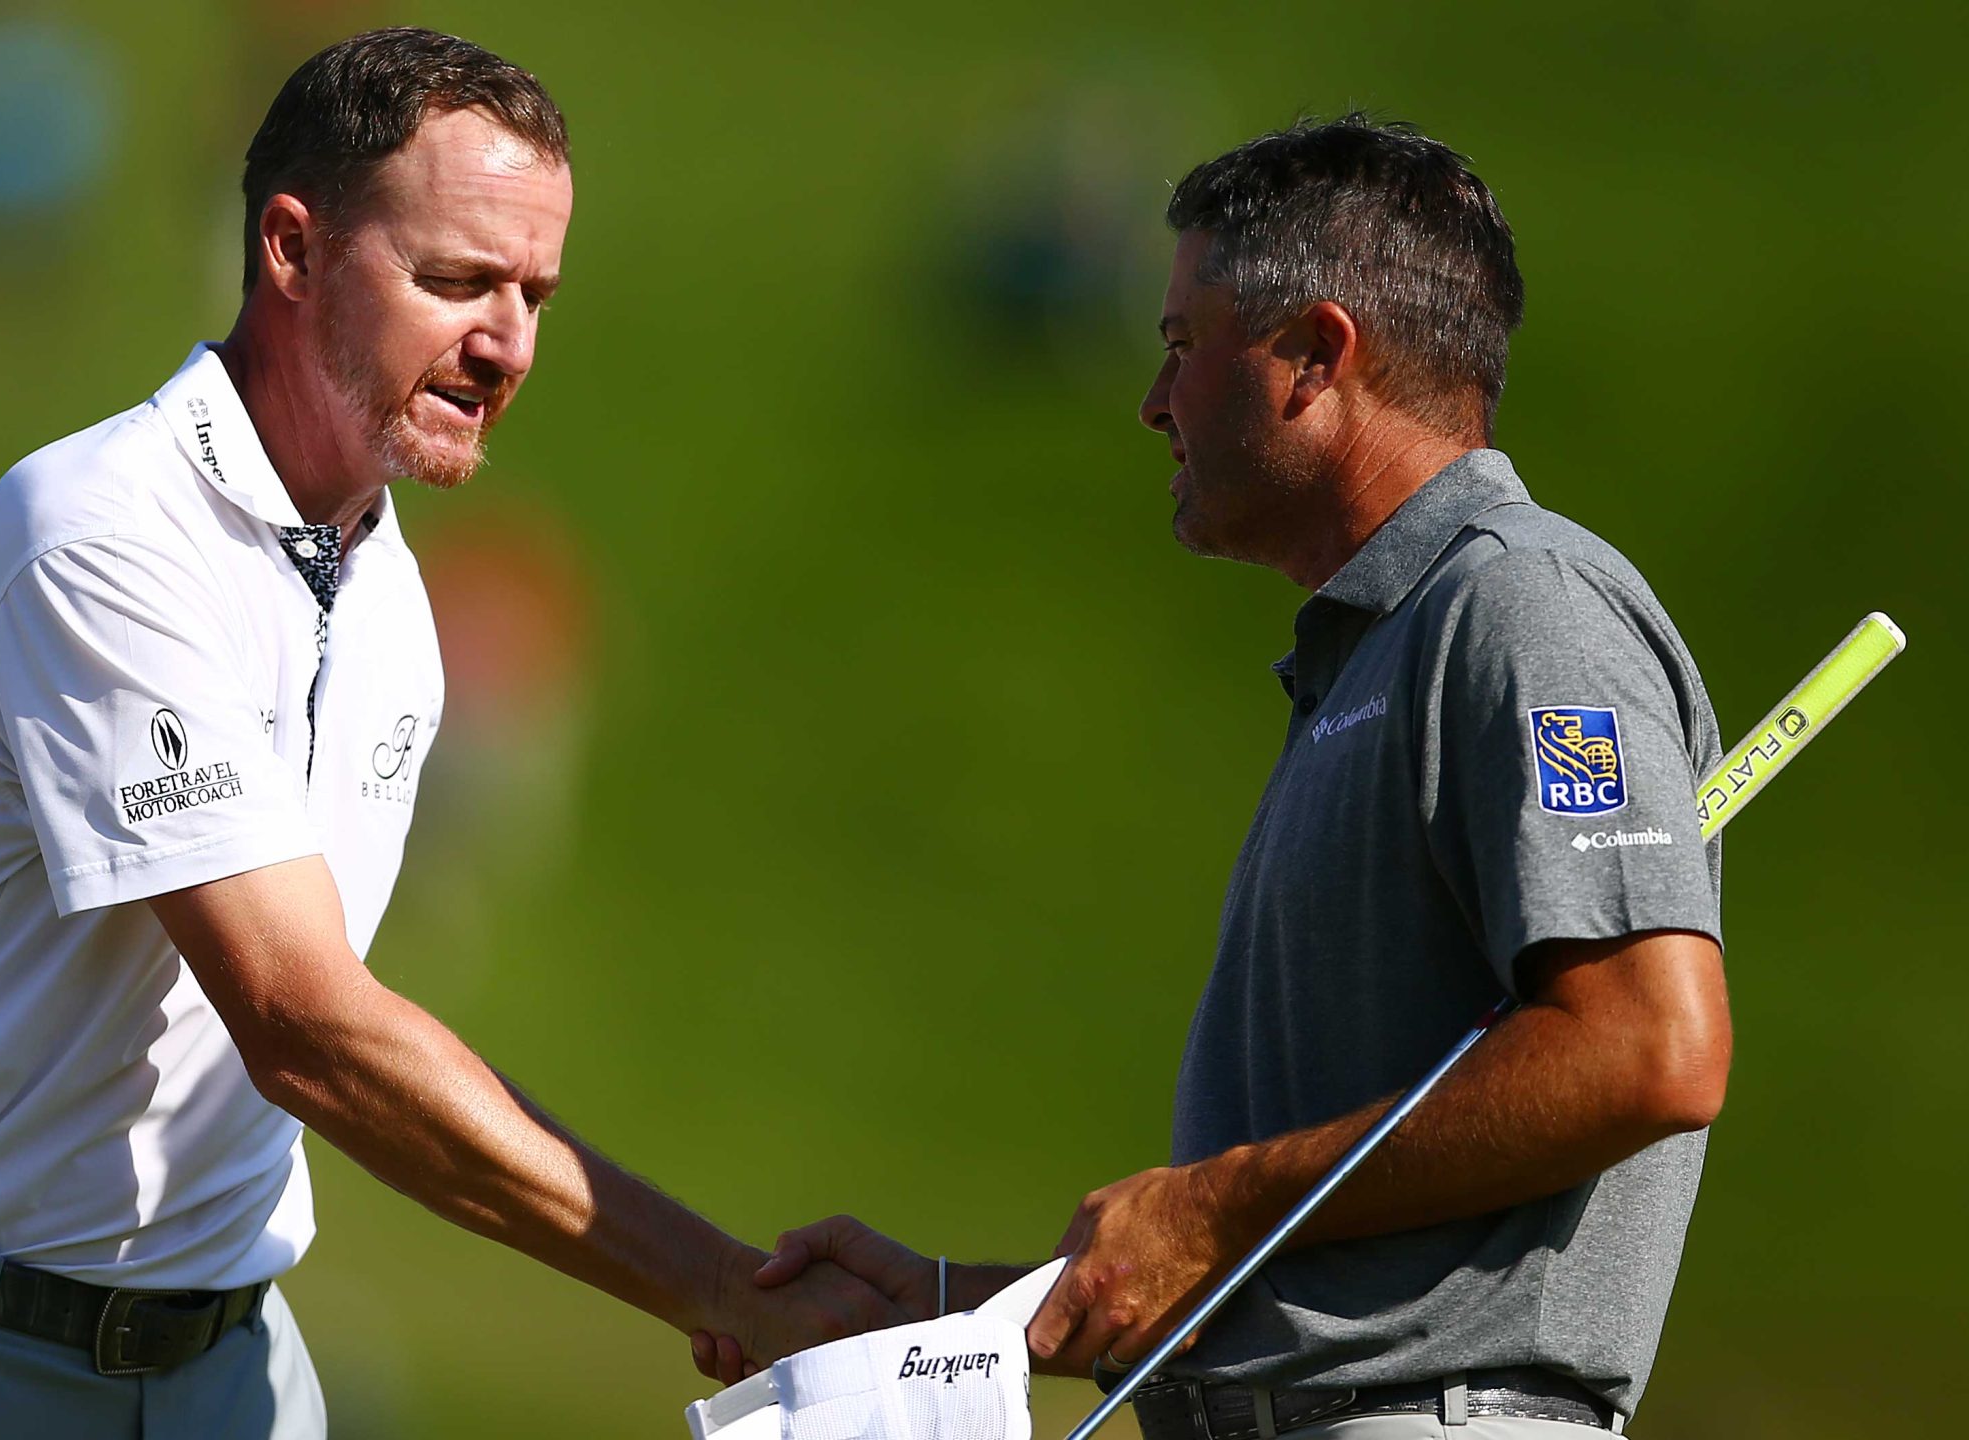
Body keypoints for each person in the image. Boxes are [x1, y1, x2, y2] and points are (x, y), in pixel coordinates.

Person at [0, 28, 899, 1440]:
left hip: (227, 1364)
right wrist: (718, 1284)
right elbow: (304, 1025)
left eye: (533, 294)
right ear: (292, 250)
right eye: (457, 280)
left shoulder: (384, 588)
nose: (507, 341)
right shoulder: (101, 536)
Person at [713, 116, 1731, 1439]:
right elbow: (1307, 1259)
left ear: (1317, 354)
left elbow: (1649, 1050)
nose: (1153, 401)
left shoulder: (1523, 607)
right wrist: (969, 1311)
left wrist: (1211, 1203)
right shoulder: (1381, 650)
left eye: (1183, 346)